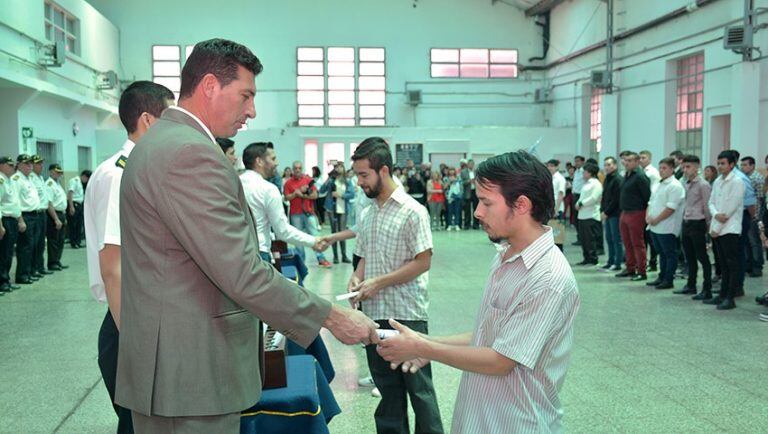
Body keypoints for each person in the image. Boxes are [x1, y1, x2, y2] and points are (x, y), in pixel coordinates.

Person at [115, 38, 378, 433]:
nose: (251, 111)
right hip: (190, 376)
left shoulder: (164, 143)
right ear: (209, 86)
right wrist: (332, 317)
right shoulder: (189, 154)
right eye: (245, 95)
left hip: (175, 369)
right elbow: (240, 272)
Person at [377, 151, 580, 433]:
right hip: (480, 416)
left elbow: (501, 361)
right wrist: (428, 345)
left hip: (515, 422)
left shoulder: (547, 278)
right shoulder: (506, 254)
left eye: (486, 202)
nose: (477, 212)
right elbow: (491, 335)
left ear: (521, 204)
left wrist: (422, 347)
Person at [84, 80, 175, 434]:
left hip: (142, 319)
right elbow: (114, 267)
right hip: (129, 324)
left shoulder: (139, 168)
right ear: (149, 121)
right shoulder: (120, 174)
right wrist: (137, 344)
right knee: (138, 424)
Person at [347, 137, 443, 434]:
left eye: (364, 175)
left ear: (383, 171)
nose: (360, 182)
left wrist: (380, 282)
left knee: (420, 392)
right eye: (358, 175)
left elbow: (422, 262)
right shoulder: (367, 213)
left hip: (406, 313)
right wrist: (357, 278)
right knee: (388, 393)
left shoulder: (413, 211)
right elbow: (363, 256)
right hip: (374, 313)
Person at [239, 142, 318, 284]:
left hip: (237, 253)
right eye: (273, 159)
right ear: (259, 161)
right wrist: (313, 241)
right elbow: (282, 231)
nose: (277, 163)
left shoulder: (235, 183)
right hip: (259, 253)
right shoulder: (267, 189)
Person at [705, 150, 744, 310]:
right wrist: (715, 216)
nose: (720, 166)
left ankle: (730, 297)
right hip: (717, 228)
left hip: (730, 229)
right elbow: (711, 202)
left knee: (731, 264)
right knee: (723, 264)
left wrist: (717, 226)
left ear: (732, 164)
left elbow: (730, 209)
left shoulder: (737, 182)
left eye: (723, 163)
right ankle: (721, 295)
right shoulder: (718, 181)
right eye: (719, 163)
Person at [645, 158, 685, 290]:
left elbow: (670, 208)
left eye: (665, 168)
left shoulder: (675, 185)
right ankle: (661, 276)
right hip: (654, 225)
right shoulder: (658, 184)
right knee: (660, 253)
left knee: (669, 254)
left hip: (667, 226)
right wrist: (648, 216)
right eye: (660, 168)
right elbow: (650, 202)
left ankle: (668, 279)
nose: (661, 170)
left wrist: (656, 219)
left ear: (672, 169)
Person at [284, 160, 332, 267]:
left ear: (302, 169)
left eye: (299, 168)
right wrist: (295, 193)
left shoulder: (308, 180)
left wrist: (303, 195)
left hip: (308, 212)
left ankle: (321, 258)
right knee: (297, 237)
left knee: (315, 236)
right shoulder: (288, 183)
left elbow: (315, 196)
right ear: (292, 169)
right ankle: (301, 261)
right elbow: (287, 197)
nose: (297, 170)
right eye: (295, 168)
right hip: (295, 214)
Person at [678, 155, 712, 299]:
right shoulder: (686, 183)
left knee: (702, 258)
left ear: (697, 167)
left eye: (688, 167)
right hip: (686, 222)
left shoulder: (703, 185)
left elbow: (707, 207)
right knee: (689, 257)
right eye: (683, 167)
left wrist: (709, 229)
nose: (685, 170)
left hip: (698, 223)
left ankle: (707, 288)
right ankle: (691, 285)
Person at [617, 152, 651, 281]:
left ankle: (641, 271)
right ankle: (630, 268)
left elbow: (647, 197)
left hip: (637, 213)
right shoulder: (627, 175)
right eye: (625, 160)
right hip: (625, 212)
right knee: (627, 243)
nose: (626, 163)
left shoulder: (641, 177)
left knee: (638, 243)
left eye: (630, 160)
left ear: (637, 162)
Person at [14, 154, 41, 285]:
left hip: (34, 215)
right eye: (26, 164)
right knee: (25, 247)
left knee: (32, 246)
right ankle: (22, 275)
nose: (30, 166)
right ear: (18, 164)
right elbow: (16, 201)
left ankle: (28, 271)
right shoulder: (17, 179)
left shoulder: (28, 178)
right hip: (25, 216)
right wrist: (20, 220)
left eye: (31, 164)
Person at [320, 164, 355, 264]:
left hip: (343, 208)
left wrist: (341, 195)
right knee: (334, 232)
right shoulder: (331, 180)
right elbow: (322, 190)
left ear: (344, 169)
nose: (338, 169)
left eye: (340, 166)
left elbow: (352, 194)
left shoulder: (347, 181)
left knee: (342, 233)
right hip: (332, 208)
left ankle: (344, 255)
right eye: (337, 167)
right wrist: (328, 179)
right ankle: (335, 256)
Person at [0, 157, 23, 293]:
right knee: (3, 253)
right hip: (5, 221)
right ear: (1, 166)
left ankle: (6, 280)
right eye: (9, 165)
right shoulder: (1, 180)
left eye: (13, 165)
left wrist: (20, 220)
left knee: (8, 253)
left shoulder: (9, 180)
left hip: (12, 220)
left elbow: (14, 203)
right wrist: (0, 225)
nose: (12, 167)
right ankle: (2, 282)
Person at [739, 156, 764, 277]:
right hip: (746, 213)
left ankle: (757, 266)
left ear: (752, 166)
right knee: (746, 241)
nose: (742, 167)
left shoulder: (757, 178)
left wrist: (757, 216)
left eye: (745, 165)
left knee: (754, 241)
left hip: (754, 214)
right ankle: (748, 264)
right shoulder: (745, 178)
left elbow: (759, 199)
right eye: (742, 165)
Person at [29, 155, 53, 278]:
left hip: (43, 214)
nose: (41, 166)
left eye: (41, 163)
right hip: (36, 214)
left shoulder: (41, 178)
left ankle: (40, 267)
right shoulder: (31, 178)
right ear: (32, 165)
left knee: (41, 243)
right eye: (38, 164)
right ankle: (33, 269)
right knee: (35, 243)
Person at [575, 162, 602, 265]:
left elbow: (594, 198)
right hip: (582, 214)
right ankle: (586, 258)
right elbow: (582, 197)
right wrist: (578, 203)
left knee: (590, 239)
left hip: (591, 215)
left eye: (585, 172)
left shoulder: (596, 184)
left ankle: (593, 258)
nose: (583, 174)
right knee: (584, 239)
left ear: (590, 173)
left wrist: (581, 203)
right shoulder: (586, 183)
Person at [600, 156, 624, 272]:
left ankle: (617, 262)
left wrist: (606, 212)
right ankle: (610, 261)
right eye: (605, 165)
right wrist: (602, 210)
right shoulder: (607, 178)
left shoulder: (618, 179)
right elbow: (605, 196)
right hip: (607, 213)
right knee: (609, 239)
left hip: (615, 214)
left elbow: (616, 199)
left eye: (609, 165)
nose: (607, 167)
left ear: (615, 165)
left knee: (616, 239)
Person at [639, 150, 660, 271]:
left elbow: (653, 191)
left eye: (644, 158)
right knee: (644, 237)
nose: (641, 160)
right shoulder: (640, 171)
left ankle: (653, 262)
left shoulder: (652, 173)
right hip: (642, 207)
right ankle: (645, 261)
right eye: (640, 158)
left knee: (650, 238)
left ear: (650, 159)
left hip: (649, 206)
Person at [44, 164, 68, 271]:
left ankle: (57, 261)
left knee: (60, 240)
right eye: (56, 172)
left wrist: (63, 217)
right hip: (54, 215)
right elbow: (50, 203)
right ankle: (52, 263)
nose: (59, 174)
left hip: (61, 214)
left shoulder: (57, 184)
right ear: (51, 172)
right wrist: (56, 219)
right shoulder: (49, 184)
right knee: (54, 240)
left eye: (60, 173)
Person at [67, 170, 89, 248]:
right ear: (83, 176)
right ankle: (73, 242)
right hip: (74, 204)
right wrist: (71, 206)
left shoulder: (80, 183)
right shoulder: (74, 181)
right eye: (87, 179)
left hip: (79, 205)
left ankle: (78, 241)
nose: (86, 181)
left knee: (79, 225)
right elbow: (70, 193)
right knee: (73, 225)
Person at [571, 155, 585, 245]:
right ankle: (579, 237)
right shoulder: (576, 171)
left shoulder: (584, 171)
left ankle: (582, 238)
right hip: (575, 195)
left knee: (580, 219)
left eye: (578, 161)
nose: (576, 163)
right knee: (575, 218)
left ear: (583, 162)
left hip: (581, 196)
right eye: (575, 161)